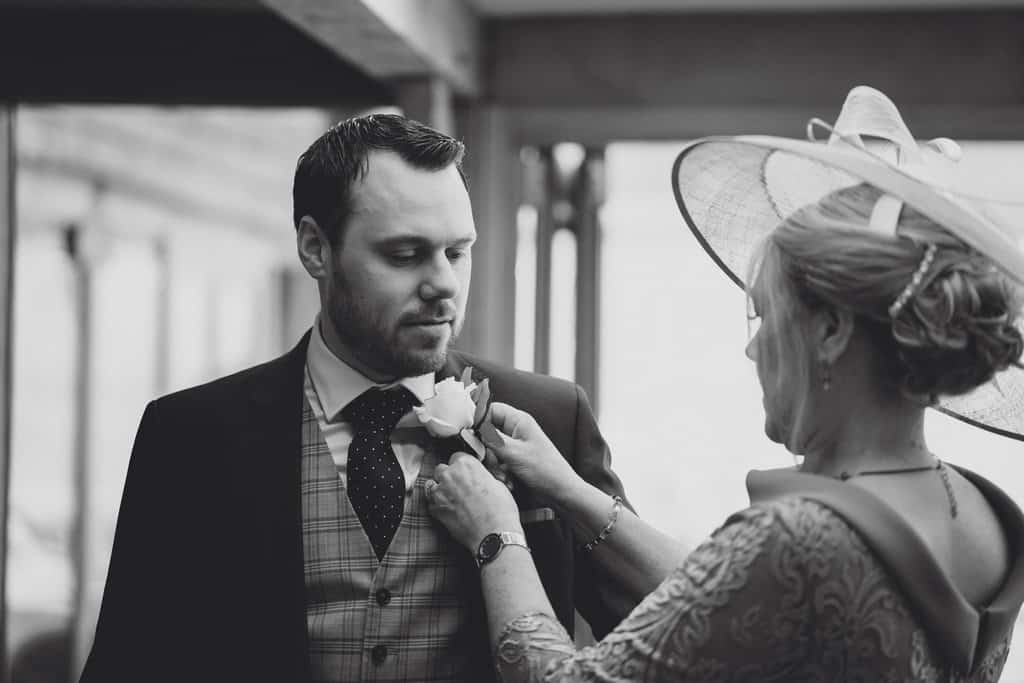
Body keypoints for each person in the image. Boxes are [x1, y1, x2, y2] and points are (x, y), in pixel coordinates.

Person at [425, 86, 1024, 681]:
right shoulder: (986, 515)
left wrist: (497, 535)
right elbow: (740, 610)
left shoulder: (796, 539)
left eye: (765, 315)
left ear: (833, 330)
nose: (752, 345)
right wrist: (571, 491)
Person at [78, 115, 635, 683]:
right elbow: (130, 659)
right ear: (316, 248)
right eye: (405, 254)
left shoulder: (549, 418)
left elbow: (668, 627)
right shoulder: (191, 435)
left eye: (457, 252)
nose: (443, 283)